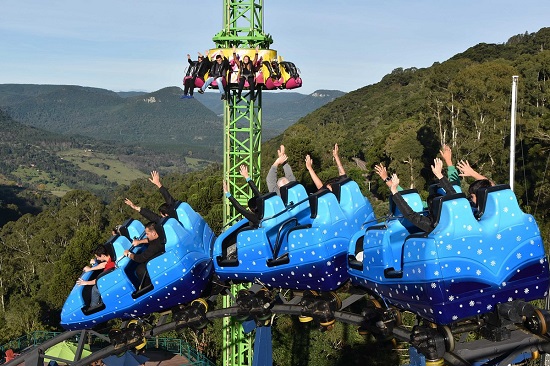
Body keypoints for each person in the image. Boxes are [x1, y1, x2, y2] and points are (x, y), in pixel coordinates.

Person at [389, 158, 456, 233]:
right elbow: (454, 196)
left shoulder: (431, 225)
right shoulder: (456, 215)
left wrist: (394, 190)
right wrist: (439, 175)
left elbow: (410, 214)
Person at [123, 222, 165, 290]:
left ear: (153, 233)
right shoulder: (161, 236)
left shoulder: (154, 246)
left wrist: (128, 254)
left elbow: (140, 258)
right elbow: (150, 240)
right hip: (159, 260)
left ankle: (148, 289)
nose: (146, 235)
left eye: (147, 234)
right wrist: (139, 242)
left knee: (140, 269)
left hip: (155, 266)